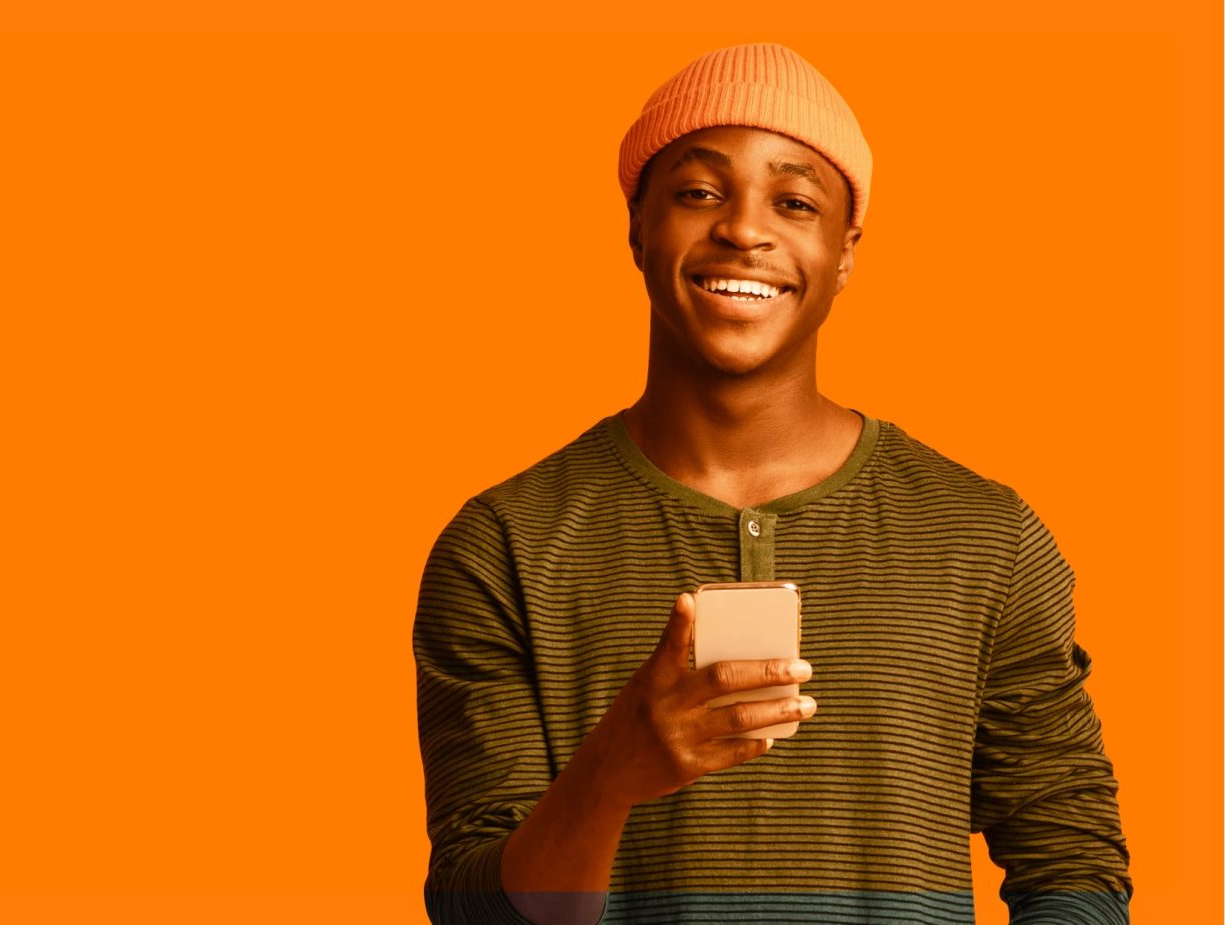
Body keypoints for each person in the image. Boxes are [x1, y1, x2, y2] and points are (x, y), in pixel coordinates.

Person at [411, 43, 1131, 925]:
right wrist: (608, 774)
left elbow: (1071, 852)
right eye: (700, 192)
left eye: (794, 202)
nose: (744, 230)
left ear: (844, 252)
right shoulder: (504, 544)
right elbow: (471, 909)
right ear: (637, 224)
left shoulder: (985, 535)